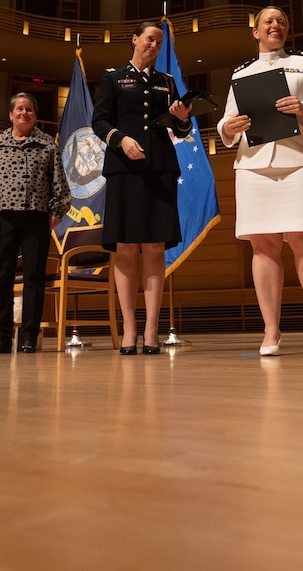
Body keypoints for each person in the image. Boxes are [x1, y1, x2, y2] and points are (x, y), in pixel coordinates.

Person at [217, 7, 303, 355]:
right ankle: (271, 330)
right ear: (255, 32)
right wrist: (228, 128)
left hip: (301, 161)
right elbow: (226, 123)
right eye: (268, 21)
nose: (276, 25)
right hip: (254, 166)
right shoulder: (241, 74)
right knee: (262, 245)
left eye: (282, 21)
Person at [91, 20, 192, 354]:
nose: (154, 46)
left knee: (153, 248)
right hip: (125, 169)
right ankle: (129, 331)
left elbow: (179, 129)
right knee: (125, 247)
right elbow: (99, 120)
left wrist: (182, 117)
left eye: (159, 42)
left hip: (160, 169)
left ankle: (151, 331)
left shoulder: (167, 81)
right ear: (135, 40)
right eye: (150, 39)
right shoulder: (114, 77)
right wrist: (120, 140)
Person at [0, 92, 69, 353]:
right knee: (2, 276)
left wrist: (57, 209)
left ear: (35, 115)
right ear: (11, 114)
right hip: (4, 220)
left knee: (34, 277)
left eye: (29, 110)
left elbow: (59, 182)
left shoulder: (48, 145)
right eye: (19, 109)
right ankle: (2, 337)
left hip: (37, 218)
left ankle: (28, 336)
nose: (24, 113)